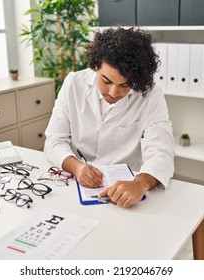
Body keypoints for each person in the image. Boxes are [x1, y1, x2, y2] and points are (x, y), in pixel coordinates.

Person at [44, 27, 175, 208]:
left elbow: (162, 152)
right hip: (76, 187)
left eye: (125, 84)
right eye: (106, 81)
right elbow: (54, 140)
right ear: (95, 66)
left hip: (127, 192)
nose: (114, 92)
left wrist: (140, 183)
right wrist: (77, 167)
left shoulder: (151, 96)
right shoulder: (74, 83)